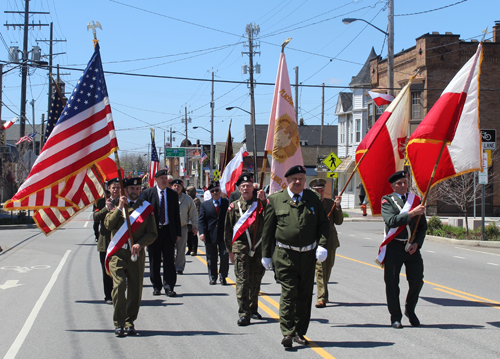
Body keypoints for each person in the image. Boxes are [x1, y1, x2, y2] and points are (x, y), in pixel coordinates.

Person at [262, 165, 329, 348]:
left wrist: (322, 245)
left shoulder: (313, 199)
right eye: (294, 179)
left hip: (308, 255)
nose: (298, 182)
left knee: (305, 295)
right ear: (287, 181)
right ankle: (287, 332)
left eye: (301, 178)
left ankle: (300, 332)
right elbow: (267, 231)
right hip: (285, 254)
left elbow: (323, 225)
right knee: (289, 292)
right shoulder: (276, 200)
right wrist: (266, 255)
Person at [104, 177, 157, 337]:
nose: (135, 192)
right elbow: (108, 225)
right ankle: (118, 323)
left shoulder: (146, 208)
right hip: (118, 254)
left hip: (136, 254)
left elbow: (152, 233)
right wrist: (119, 208)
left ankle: (129, 322)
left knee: (135, 289)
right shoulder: (115, 206)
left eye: (137, 189)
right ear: (124, 190)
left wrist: (140, 244)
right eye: (132, 189)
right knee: (119, 286)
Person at [380, 170, 427, 329]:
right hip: (394, 246)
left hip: (411, 247)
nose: (402, 185)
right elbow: (392, 221)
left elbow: (422, 227)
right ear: (393, 186)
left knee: (417, 281)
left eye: (405, 183)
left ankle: (410, 309)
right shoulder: (387, 201)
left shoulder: (416, 200)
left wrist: (417, 244)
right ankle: (395, 317)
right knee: (392, 283)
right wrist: (412, 213)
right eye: (399, 183)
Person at [224, 172, 266, 326]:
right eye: (243, 186)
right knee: (242, 280)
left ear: (253, 188)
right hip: (240, 248)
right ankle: (243, 313)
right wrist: (230, 250)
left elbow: (270, 218)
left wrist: (264, 202)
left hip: (258, 247)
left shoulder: (260, 205)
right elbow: (227, 230)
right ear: (239, 189)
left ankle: (253, 308)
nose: (246, 188)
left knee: (256, 279)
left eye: (248, 186)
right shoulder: (233, 207)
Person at [141, 169, 181, 297]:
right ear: (156, 180)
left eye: (165, 178)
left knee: (169, 260)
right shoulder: (148, 193)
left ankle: (169, 287)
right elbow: (143, 215)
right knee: (154, 260)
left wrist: (178, 233)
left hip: (168, 232)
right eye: (161, 178)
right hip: (153, 231)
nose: (164, 180)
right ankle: (156, 286)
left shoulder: (173, 194)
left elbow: (176, 215)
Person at [309, 178, 343, 309]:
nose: (320, 192)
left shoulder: (330, 203)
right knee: (320, 269)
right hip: (315, 240)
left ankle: (324, 294)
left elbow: (339, 221)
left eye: (322, 190)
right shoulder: (309, 203)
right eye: (317, 190)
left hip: (330, 241)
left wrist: (338, 206)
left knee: (327, 269)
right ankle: (321, 297)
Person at [93, 178, 120, 304]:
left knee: (119, 270)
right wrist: (106, 208)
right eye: (113, 187)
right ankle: (108, 296)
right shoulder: (101, 201)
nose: (116, 190)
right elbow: (96, 217)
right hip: (105, 242)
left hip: (120, 240)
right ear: (109, 189)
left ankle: (118, 294)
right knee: (106, 270)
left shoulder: (125, 201)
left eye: (118, 187)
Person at [198, 181, 229, 285]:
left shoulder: (227, 203)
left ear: (220, 191)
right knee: (212, 257)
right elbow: (201, 220)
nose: (215, 192)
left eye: (216, 190)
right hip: (210, 235)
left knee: (224, 256)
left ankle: (223, 276)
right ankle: (213, 277)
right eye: (212, 191)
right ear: (210, 193)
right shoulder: (205, 205)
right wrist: (201, 233)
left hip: (224, 235)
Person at [171, 179, 198, 274]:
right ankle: (170, 266)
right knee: (169, 249)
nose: (176, 187)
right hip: (169, 228)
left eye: (178, 186)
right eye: (174, 185)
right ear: (171, 186)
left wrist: (195, 225)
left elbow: (193, 213)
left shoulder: (187, 199)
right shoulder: (167, 197)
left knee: (181, 249)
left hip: (182, 227)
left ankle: (179, 267)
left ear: (182, 188)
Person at [186, 186, 201, 256]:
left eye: (189, 191)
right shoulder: (187, 199)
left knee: (193, 235)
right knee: (188, 236)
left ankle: (194, 250)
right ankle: (189, 249)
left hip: (193, 220)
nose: (188, 193)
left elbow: (197, 210)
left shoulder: (196, 200)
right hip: (186, 220)